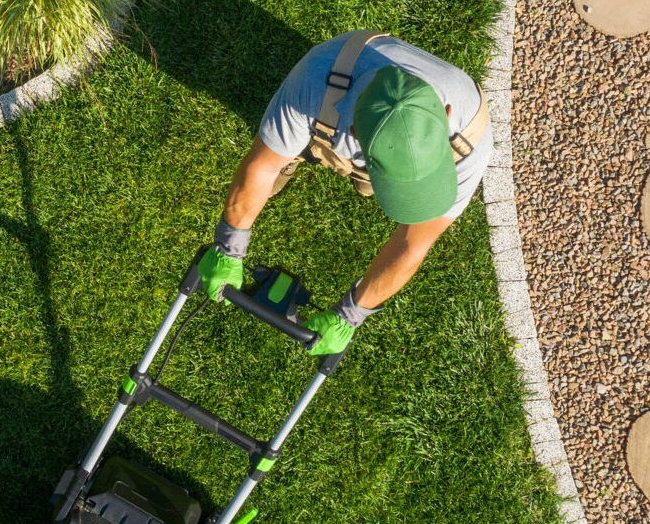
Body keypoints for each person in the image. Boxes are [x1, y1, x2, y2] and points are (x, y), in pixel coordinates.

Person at [197, 31, 493, 357]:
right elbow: (261, 169)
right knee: (280, 155)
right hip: (330, 109)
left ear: (446, 115)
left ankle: (367, 177)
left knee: (369, 187)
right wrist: (229, 245)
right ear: (354, 136)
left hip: (360, 134)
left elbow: (413, 244)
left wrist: (351, 315)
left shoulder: (471, 138)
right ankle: (304, 151)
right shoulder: (315, 81)